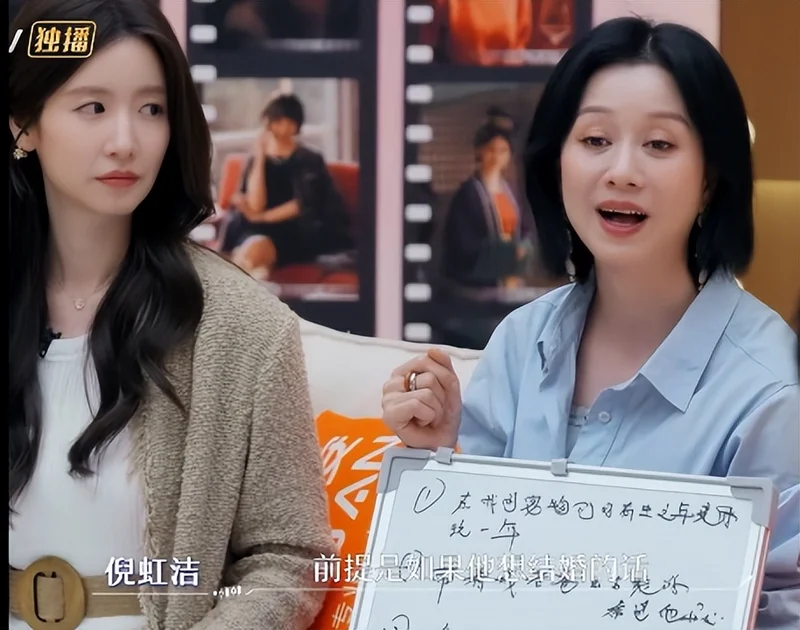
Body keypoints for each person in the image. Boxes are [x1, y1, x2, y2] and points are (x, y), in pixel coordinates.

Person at [382, 17, 799, 628]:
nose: (621, 171)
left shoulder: (771, 388)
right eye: (595, 139)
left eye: (660, 144)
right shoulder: (521, 341)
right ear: (558, 161)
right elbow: (459, 571)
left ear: (710, 177)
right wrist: (437, 458)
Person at [8, 1, 333, 629]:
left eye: (152, 109)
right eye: (93, 107)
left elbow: (289, 559)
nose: (126, 141)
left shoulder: (242, 329)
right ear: (23, 123)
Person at [220, 93, 353, 280]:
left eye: (290, 122)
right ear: (268, 123)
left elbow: (302, 205)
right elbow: (255, 205)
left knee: (256, 252)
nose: (284, 128)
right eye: (278, 121)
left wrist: (261, 217)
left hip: (294, 229)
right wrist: (259, 156)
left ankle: (244, 281)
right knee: (254, 253)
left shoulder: (310, 159)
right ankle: (254, 281)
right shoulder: (255, 159)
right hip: (253, 229)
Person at [440, 112, 534, 288]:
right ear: (480, 151)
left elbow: (523, 228)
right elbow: (463, 243)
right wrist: (505, 253)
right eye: (491, 150)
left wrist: (523, 246)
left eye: (503, 151)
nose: (496, 157)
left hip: (509, 280)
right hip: (476, 283)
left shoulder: (511, 191)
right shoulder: (468, 194)